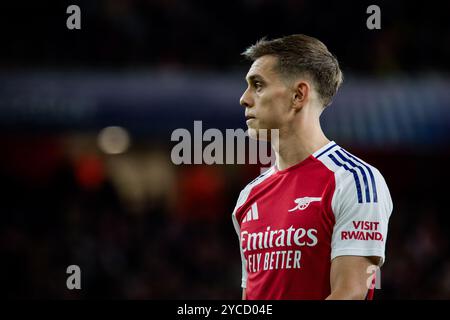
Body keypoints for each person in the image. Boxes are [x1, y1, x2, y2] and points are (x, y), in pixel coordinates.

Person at [232, 34, 393, 300]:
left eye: (257, 85)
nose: (244, 99)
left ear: (298, 95)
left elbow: (351, 293)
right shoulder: (247, 198)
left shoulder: (355, 180)